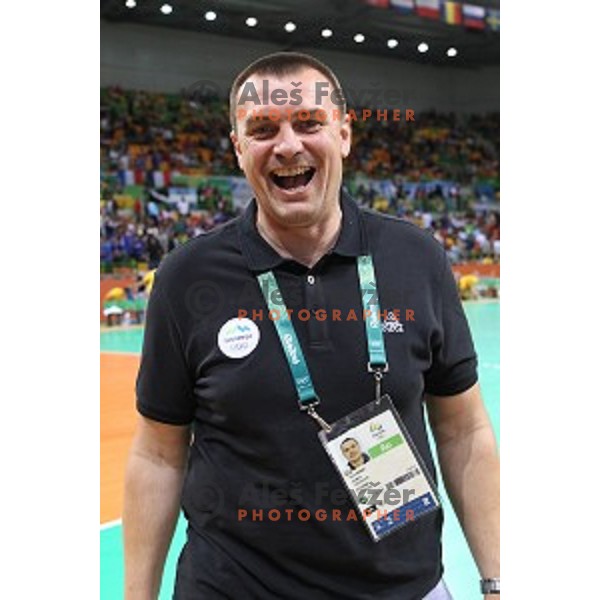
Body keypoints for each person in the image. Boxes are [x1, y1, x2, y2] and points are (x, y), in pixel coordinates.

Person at [123, 52, 500, 599]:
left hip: (404, 588)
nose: (288, 145)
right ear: (238, 148)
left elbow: (464, 430)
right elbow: (156, 454)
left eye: (308, 123)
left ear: (344, 134)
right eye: (262, 129)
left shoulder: (417, 259)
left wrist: (496, 579)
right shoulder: (187, 277)